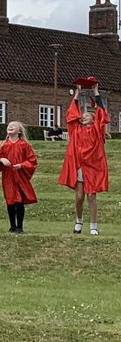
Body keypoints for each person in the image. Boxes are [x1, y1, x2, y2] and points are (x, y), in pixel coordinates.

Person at [58, 84, 109, 235]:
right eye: (83, 115)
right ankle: (78, 221)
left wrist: (95, 92)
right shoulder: (76, 130)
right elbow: (71, 115)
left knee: (91, 196)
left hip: (92, 166)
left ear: (93, 120)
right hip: (79, 165)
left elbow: (101, 112)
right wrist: (77, 94)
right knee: (79, 196)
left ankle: (93, 225)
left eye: (88, 115)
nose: (84, 116)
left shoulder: (96, 130)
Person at [0, 121, 37, 234]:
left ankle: (20, 227)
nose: (10, 126)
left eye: (13, 126)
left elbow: (32, 161)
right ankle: (12, 225)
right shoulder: (2, 144)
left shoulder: (24, 145)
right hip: (8, 177)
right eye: (9, 126)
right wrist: (1, 160)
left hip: (20, 176)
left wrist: (22, 165)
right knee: (10, 201)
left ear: (19, 131)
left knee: (19, 201)